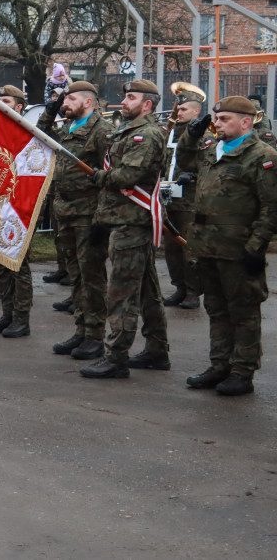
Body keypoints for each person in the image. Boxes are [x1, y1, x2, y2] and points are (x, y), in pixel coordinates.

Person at [177, 96, 277, 395]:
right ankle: (220, 364)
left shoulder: (261, 155)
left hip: (238, 248)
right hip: (208, 245)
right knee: (217, 308)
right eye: (216, 120)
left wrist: (256, 247)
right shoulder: (212, 150)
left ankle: (242, 371)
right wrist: (190, 137)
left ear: (246, 122)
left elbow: (271, 207)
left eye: (224, 120)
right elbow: (185, 161)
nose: (216, 124)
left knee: (243, 312)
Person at [79, 80, 169, 379]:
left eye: (131, 98)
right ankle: (157, 350)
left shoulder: (148, 134)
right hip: (121, 219)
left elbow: (129, 175)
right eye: (125, 97)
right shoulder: (126, 130)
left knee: (122, 293)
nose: (124, 102)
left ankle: (116, 356)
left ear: (147, 104)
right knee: (147, 291)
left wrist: (100, 178)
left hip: (133, 222)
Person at [38, 81, 113, 360]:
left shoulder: (102, 131)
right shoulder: (67, 128)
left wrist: (101, 219)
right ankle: (81, 330)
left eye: (69, 100)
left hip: (87, 213)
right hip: (66, 211)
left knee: (91, 277)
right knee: (76, 276)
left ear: (88, 102)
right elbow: (39, 135)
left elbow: (109, 177)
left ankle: (95, 335)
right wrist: (50, 111)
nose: (65, 104)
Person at [0, 86, 34, 336]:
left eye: (5, 101)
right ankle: (7, 313)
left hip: (19, 206)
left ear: (19, 106)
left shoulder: (28, 131)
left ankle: (21, 319)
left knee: (17, 265)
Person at [161, 84, 205, 309]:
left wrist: (193, 174)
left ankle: (193, 291)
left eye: (184, 109)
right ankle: (179, 287)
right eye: (179, 109)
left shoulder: (203, 133)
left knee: (189, 247)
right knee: (171, 247)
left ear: (196, 111)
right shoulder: (171, 130)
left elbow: (210, 164)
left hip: (189, 198)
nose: (179, 112)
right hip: (169, 196)